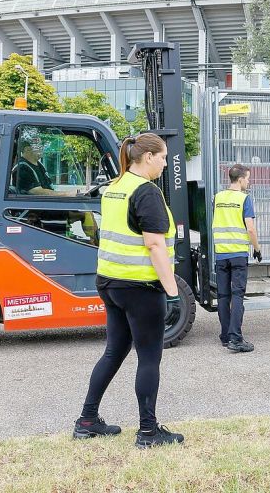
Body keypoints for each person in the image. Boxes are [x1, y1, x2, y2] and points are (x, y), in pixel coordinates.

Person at [73, 133, 184, 448]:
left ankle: (87, 420)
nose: (165, 163)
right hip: (139, 286)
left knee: (114, 351)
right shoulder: (146, 191)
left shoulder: (115, 188)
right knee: (149, 358)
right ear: (148, 157)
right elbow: (154, 244)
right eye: (163, 157)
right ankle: (148, 432)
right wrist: (172, 291)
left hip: (109, 281)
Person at [212, 163, 262, 353]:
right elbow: (250, 228)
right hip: (239, 255)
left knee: (223, 296)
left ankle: (225, 336)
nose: (248, 182)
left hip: (221, 254)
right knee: (238, 295)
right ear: (240, 179)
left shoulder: (217, 198)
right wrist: (256, 249)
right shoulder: (244, 199)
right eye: (247, 178)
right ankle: (236, 338)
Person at [12, 135, 79, 196]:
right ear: (27, 149)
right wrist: (68, 194)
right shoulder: (21, 168)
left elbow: (48, 187)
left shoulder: (39, 165)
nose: (42, 148)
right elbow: (37, 192)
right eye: (39, 146)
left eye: (42, 146)